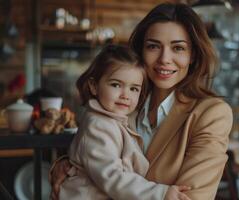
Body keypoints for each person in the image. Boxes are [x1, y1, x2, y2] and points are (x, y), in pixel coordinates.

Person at [50, 3, 233, 200]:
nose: (165, 59)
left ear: (193, 55)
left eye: (178, 48)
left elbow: (191, 197)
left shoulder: (212, 114)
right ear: (140, 51)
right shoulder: (122, 103)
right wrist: (67, 165)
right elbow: (95, 149)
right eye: (153, 46)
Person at [57, 44, 191, 200]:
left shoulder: (116, 120)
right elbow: (113, 177)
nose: (125, 95)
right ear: (94, 86)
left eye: (134, 89)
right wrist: (160, 193)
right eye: (116, 85)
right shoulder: (98, 126)